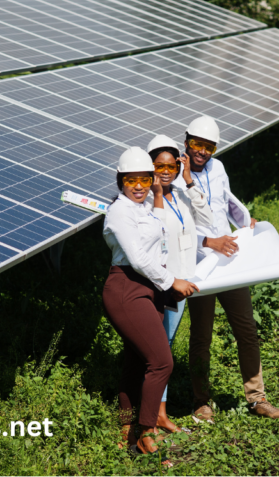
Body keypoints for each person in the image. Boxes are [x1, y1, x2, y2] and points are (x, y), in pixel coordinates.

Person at [176, 115, 279, 421]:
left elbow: (227, 202)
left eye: (209, 146)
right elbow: (175, 227)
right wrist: (208, 242)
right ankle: (201, 401)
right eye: (197, 144)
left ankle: (257, 398)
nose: (202, 151)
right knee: (201, 336)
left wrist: (246, 223)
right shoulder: (174, 176)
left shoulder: (218, 168)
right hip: (199, 265)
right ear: (186, 141)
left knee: (247, 330)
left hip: (230, 261)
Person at [102, 147, 199, 466]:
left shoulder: (143, 206)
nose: (139, 185)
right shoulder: (120, 212)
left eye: (145, 178)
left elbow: (157, 228)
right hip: (126, 288)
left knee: (136, 361)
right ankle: (146, 431)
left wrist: (157, 193)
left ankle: (126, 429)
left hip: (147, 289)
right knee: (162, 362)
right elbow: (139, 258)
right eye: (132, 180)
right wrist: (173, 281)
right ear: (121, 180)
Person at [145, 134, 214, 434]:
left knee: (166, 348)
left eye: (172, 165)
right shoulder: (145, 199)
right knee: (160, 351)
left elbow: (208, 219)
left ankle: (158, 412)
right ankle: (154, 415)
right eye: (159, 165)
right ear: (149, 166)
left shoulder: (182, 194)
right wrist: (157, 192)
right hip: (164, 285)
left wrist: (189, 181)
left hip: (184, 283)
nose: (166, 171)